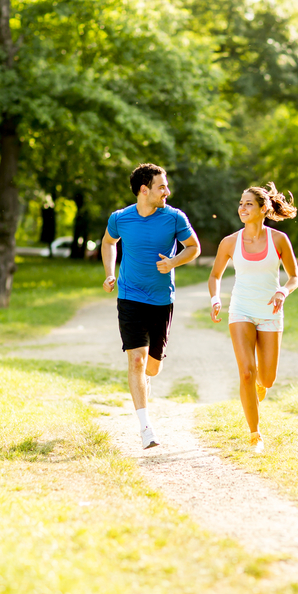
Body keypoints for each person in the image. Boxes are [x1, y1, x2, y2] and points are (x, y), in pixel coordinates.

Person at [101, 163, 201, 449]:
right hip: (129, 297)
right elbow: (108, 243)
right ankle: (146, 428)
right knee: (136, 360)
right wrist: (110, 272)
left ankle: (145, 385)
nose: (167, 191)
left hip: (161, 300)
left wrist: (173, 262)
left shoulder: (173, 218)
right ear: (145, 190)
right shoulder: (120, 218)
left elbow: (194, 248)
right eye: (162, 186)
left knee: (152, 368)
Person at [208, 183, 298, 453]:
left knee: (267, 379)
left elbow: (295, 277)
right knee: (247, 372)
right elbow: (215, 276)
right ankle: (255, 434)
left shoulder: (279, 240)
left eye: (248, 203)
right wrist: (216, 299)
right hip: (241, 310)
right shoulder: (230, 242)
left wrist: (283, 291)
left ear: (263, 209)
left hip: (270, 312)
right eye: (240, 203)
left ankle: (261, 386)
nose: (242, 208)